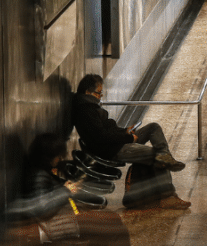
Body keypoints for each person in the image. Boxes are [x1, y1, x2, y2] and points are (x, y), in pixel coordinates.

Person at [7, 134, 149, 246]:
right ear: (51, 155)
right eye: (59, 155)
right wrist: (65, 190)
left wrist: (64, 188)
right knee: (112, 225)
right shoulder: (38, 175)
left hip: (57, 221)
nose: (61, 158)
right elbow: (42, 206)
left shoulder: (38, 170)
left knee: (109, 221)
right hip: (51, 226)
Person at [71, 74, 191, 210]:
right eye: (99, 93)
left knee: (153, 128)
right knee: (155, 156)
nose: (101, 96)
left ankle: (165, 155)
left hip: (118, 141)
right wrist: (128, 138)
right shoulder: (86, 111)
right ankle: (168, 197)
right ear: (88, 92)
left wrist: (124, 131)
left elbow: (107, 131)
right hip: (114, 149)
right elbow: (102, 137)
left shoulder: (89, 106)